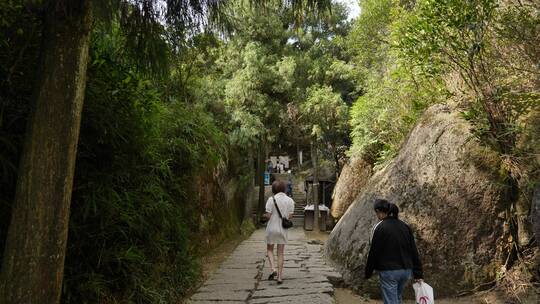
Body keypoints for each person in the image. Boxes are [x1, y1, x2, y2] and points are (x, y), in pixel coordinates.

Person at [365, 199, 423, 304]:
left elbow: (374, 251)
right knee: (397, 297)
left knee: (391, 301)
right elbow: (414, 250)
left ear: (378, 211)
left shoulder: (379, 227)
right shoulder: (405, 226)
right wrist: (418, 274)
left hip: (389, 271)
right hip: (406, 271)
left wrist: (368, 272)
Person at [265, 180, 295, 284]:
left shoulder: (271, 199)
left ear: (274, 189)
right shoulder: (290, 200)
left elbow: (268, 216)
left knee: (269, 250)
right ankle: (279, 277)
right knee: (281, 253)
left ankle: (273, 269)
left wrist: (265, 216)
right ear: (284, 189)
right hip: (283, 229)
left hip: (272, 228)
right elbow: (290, 216)